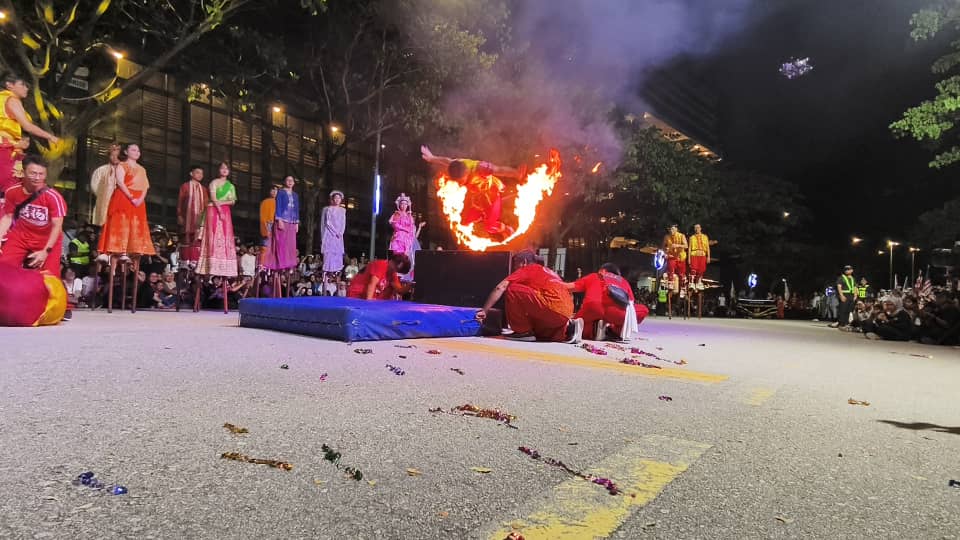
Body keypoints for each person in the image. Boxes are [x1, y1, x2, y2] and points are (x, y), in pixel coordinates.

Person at [476, 249, 584, 343]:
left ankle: (523, 332)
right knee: (539, 331)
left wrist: (485, 311)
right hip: (566, 312)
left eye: (515, 265)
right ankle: (569, 329)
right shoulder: (549, 272)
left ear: (524, 262)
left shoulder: (527, 269)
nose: (514, 269)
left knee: (512, 289)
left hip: (552, 307)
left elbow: (500, 287)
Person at [97, 143, 156, 311]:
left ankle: (132, 250)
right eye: (132, 150)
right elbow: (121, 182)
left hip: (138, 201)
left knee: (135, 227)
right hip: (124, 197)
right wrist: (131, 196)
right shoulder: (122, 165)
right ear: (126, 152)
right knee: (120, 225)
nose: (136, 152)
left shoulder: (142, 170)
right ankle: (120, 251)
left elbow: (145, 187)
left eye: (138, 150)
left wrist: (139, 199)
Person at [421, 145, 522, 237]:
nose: (460, 184)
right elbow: (446, 160)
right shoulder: (456, 164)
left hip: (492, 196)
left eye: (461, 181)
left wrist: (516, 173)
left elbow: (500, 170)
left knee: (490, 227)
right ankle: (481, 215)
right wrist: (432, 158)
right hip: (479, 199)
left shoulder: (481, 168)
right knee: (464, 223)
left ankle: (507, 229)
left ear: (467, 172)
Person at [0, 155, 66, 275]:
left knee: (49, 280)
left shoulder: (54, 197)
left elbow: (57, 226)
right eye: (33, 173)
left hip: (47, 240)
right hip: (20, 236)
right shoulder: (12, 191)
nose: (37, 178)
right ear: (23, 172)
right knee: (3, 270)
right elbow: (8, 217)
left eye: (41, 174)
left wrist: (46, 251)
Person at [0, 73, 59, 199]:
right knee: (10, 191)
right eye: (22, 84)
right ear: (9, 85)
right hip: (5, 150)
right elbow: (27, 126)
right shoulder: (12, 100)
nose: (26, 88)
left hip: (6, 146)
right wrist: (50, 137)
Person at [566, 262, 648, 341]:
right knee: (637, 312)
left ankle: (579, 329)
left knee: (580, 321)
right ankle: (612, 331)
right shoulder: (624, 281)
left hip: (594, 305)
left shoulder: (595, 276)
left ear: (603, 270)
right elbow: (631, 303)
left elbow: (570, 287)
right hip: (619, 312)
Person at [196, 162, 238, 275]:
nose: (224, 170)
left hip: (225, 211)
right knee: (213, 235)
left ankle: (223, 264)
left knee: (225, 236)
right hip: (213, 210)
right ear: (218, 170)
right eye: (222, 168)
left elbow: (233, 201)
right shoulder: (214, 182)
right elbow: (213, 198)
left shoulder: (231, 186)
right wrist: (219, 209)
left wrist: (221, 205)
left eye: (226, 168)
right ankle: (210, 264)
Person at [265, 175, 299, 272]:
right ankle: (281, 263)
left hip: (292, 221)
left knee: (291, 243)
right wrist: (279, 220)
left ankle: (289, 264)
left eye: (291, 180)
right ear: (284, 182)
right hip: (283, 220)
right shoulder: (281, 192)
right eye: (288, 180)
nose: (290, 182)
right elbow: (278, 206)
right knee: (281, 242)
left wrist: (296, 223)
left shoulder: (295, 195)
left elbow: (296, 209)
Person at [176, 164, 208, 265]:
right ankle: (184, 262)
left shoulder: (204, 189)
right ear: (191, 173)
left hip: (199, 220)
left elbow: (206, 206)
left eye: (202, 173)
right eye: (197, 172)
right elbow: (180, 201)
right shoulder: (185, 186)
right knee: (186, 239)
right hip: (187, 218)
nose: (200, 175)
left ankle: (196, 262)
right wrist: (179, 215)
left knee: (198, 240)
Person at [346, 252, 412, 300]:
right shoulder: (381, 265)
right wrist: (369, 303)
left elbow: (399, 290)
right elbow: (372, 284)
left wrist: (410, 285)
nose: (397, 271)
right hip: (357, 296)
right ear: (397, 264)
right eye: (398, 269)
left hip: (370, 298)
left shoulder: (392, 273)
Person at [89, 143, 122, 226]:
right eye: (112, 156)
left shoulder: (125, 171)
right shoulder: (101, 170)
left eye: (117, 156)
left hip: (120, 204)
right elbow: (94, 186)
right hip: (104, 202)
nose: (115, 158)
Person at [320, 190, 346, 289]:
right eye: (335, 198)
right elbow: (328, 222)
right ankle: (326, 274)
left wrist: (341, 232)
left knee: (337, 254)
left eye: (339, 198)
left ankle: (336, 274)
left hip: (339, 235)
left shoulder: (343, 210)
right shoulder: (328, 209)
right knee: (329, 253)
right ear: (332, 199)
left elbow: (343, 222)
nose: (337, 200)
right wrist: (335, 232)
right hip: (330, 234)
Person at [258, 185, 278, 266]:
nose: (274, 192)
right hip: (267, 224)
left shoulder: (279, 203)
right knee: (264, 247)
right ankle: (262, 265)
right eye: (272, 190)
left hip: (276, 225)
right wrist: (265, 227)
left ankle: (272, 264)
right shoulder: (265, 202)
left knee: (275, 247)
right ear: (269, 191)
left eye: (276, 190)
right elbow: (262, 216)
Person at [688, 224, 710, 290]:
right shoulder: (691, 237)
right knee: (693, 269)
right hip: (694, 254)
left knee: (701, 270)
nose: (697, 229)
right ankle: (691, 282)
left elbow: (708, 247)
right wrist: (689, 258)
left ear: (700, 228)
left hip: (702, 255)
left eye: (698, 227)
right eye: (695, 228)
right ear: (694, 229)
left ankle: (698, 282)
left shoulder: (705, 237)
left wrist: (708, 256)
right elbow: (689, 248)